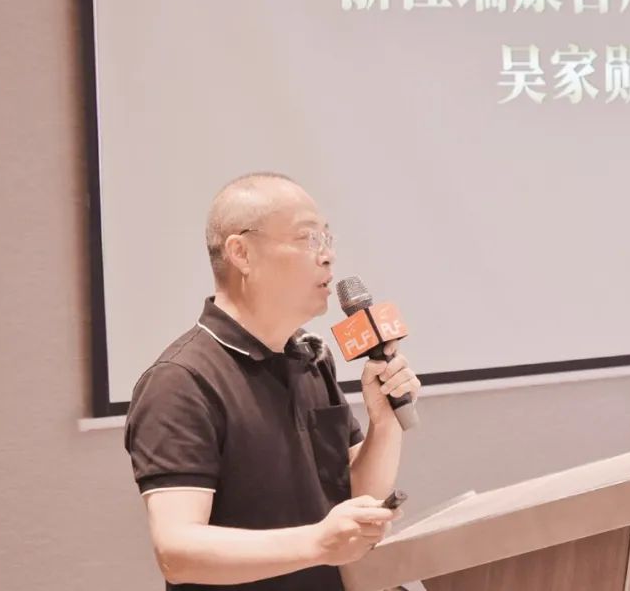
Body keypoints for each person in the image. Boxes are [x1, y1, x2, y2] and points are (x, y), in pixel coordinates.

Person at [124, 172, 421, 590]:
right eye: (308, 238)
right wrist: (317, 543)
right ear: (241, 253)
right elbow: (177, 552)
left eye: (327, 238)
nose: (328, 256)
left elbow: (357, 495)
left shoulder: (310, 357)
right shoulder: (180, 381)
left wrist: (384, 423)